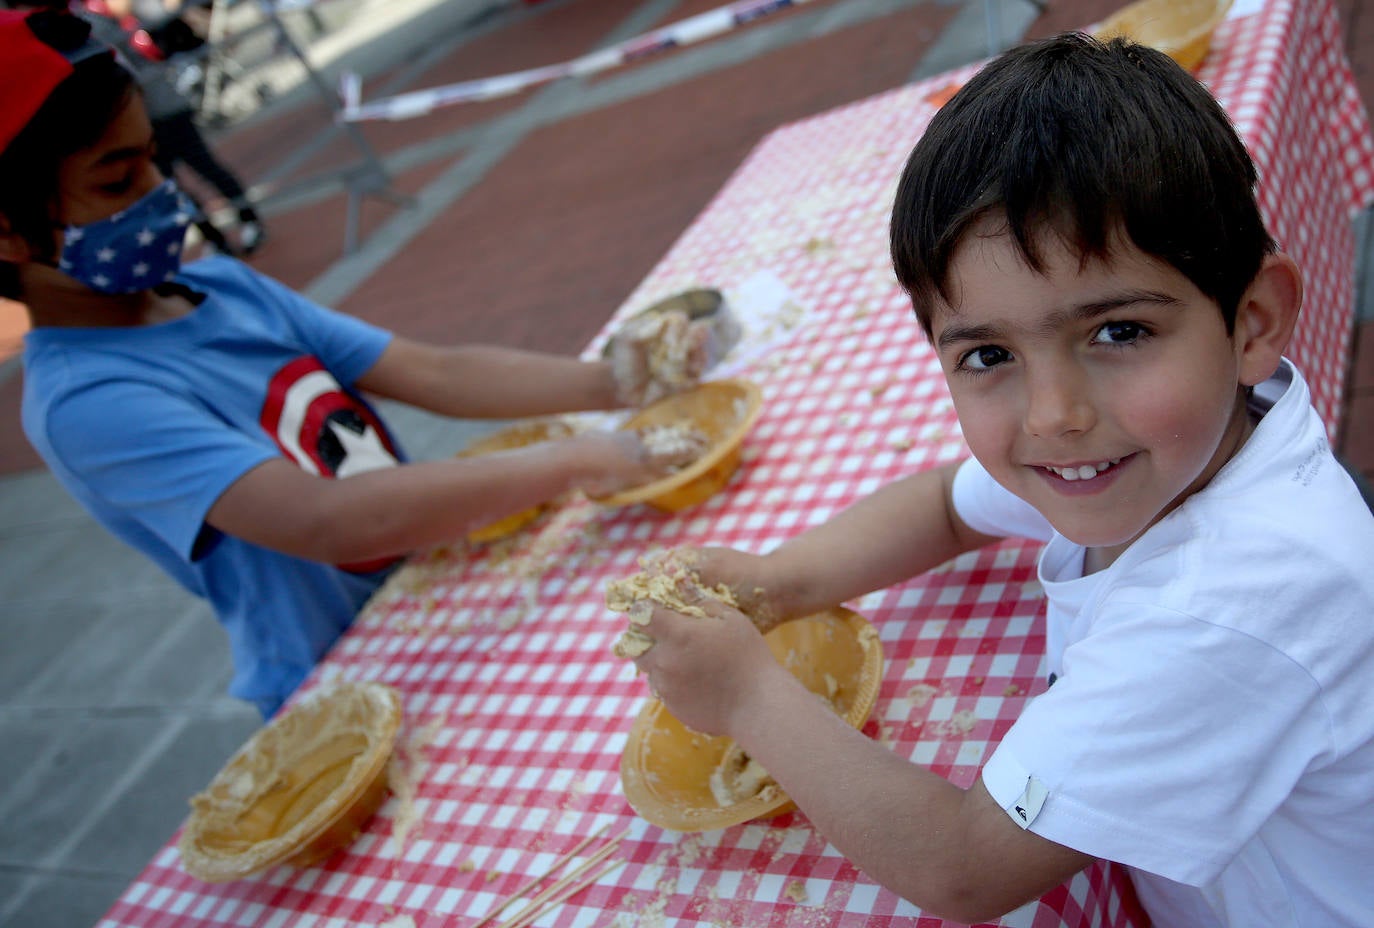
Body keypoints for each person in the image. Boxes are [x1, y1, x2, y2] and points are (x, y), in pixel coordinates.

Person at [622, 33, 1374, 927]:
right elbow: (947, 505)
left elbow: (965, 866)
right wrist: (784, 581)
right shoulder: (1165, 449)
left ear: (1252, 322)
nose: (1052, 413)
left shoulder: (1228, 604)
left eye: (1120, 331)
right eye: (988, 354)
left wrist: (748, 696)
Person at [0, 7, 710, 719]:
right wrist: (579, 459)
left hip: (427, 591)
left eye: (155, 158)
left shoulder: (222, 286)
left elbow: (434, 371)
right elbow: (327, 521)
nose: (166, 193)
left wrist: (612, 381)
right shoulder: (87, 401)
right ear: (8, 234)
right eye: (118, 182)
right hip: (340, 679)